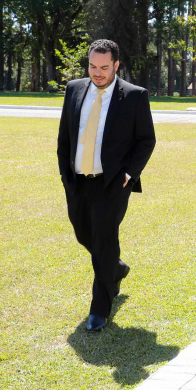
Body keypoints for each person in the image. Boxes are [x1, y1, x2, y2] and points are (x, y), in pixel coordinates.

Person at [57, 39, 156, 333]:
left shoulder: (134, 96)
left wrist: (130, 174)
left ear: (116, 65)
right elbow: (64, 136)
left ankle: (99, 308)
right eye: (92, 66)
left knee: (104, 239)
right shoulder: (74, 89)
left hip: (112, 183)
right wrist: (65, 175)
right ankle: (117, 268)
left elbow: (146, 140)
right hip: (77, 180)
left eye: (103, 67)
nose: (97, 73)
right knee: (83, 234)